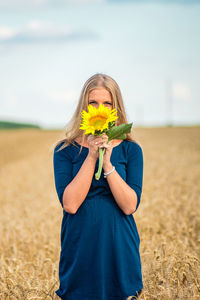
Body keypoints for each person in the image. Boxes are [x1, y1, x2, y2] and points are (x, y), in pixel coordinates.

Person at [52, 73, 144, 300]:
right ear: (84, 107)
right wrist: (92, 156)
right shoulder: (64, 150)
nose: (99, 108)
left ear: (115, 107)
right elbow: (70, 204)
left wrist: (108, 163)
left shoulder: (132, 150)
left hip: (119, 246)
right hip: (80, 246)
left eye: (107, 103)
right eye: (93, 102)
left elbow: (130, 205)